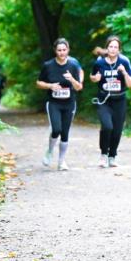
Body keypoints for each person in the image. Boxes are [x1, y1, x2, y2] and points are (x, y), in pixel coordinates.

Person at [36, 38, 84, 171]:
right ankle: (50, 151)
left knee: (65, 132)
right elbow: (38, 83)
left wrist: (72, 79)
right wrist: (50, 85)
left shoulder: (73, 65)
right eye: (59, 50)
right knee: (56, 129)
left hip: (69, 103)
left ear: (68, 50)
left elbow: (79, 87)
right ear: (55, 51)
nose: (62, 52)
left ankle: (61, 161)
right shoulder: (48, 65)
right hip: (54, 103)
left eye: (64, 50)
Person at [90, 36, 131, 167]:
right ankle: (103, 154)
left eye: (116, 47)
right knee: (107, 126)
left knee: (117, 130)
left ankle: (112, 156)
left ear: (119, 49)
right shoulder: (99, 63)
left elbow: (130, 84)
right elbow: (92, 77)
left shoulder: (124, 62)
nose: (113, 49)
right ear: (107, 47)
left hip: (119, 100)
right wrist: (95, 78)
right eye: (111, 46)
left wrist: (124, 72)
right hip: (104, 99)